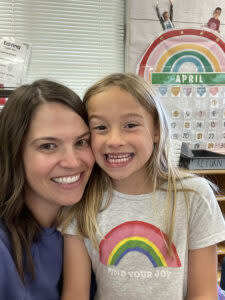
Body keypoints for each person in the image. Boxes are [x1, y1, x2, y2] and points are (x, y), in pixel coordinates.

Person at [61, 73, 225, 299]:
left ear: (156, 130)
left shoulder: (195, 195)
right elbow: (75, 294)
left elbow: (204, 293)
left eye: (130, 125)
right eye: (100, 127)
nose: (115, 140)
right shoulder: (81, 201)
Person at [0, 79, 95, 300]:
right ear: (14, 154)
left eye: (81, 142)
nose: (72, 163)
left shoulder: (93, 223)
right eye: (48, 146)